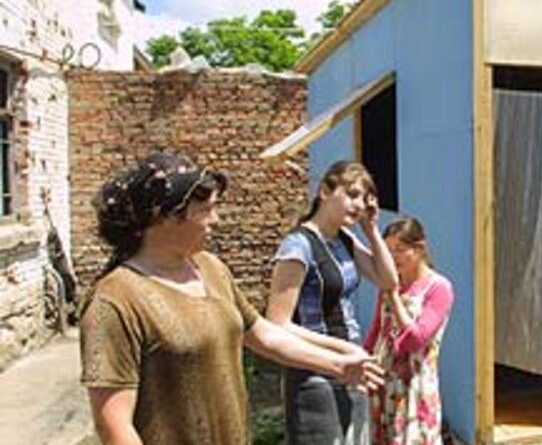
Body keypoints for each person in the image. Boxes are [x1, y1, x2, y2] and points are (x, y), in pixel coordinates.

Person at [79, 151, 383, 445]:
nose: (216, 219)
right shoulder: (115, 301)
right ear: (166, 217)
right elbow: (113, 426)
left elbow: (263, 335)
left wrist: (338, 365)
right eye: (206, 209)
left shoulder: (211, 269)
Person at [266, 160, 399, 445]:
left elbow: (388, 280)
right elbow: (277, 323)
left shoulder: (344, 239)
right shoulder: (298, 245)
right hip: (314, 372)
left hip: (351, 366)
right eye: (351, 194)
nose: (359, 204)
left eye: (364, 198)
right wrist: (342, 348)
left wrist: (371, 229)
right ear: (325, 192)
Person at [364, 217, 454, 445]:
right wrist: (363, 364)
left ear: (419, 248)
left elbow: (416, 339)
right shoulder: (389, 285)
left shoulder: (438, 288)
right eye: (388, 251)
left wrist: (394, 296)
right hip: (383, 383)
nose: (393, 257)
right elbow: (376, 332)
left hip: (415, 385)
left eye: (400, 250)